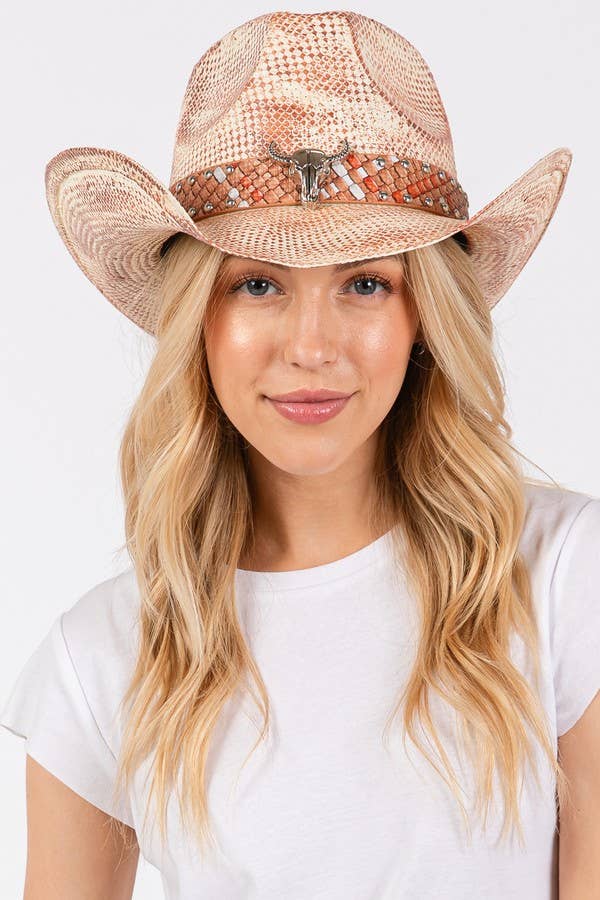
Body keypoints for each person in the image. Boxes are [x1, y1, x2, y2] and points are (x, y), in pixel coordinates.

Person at [2, 9, 599, 899]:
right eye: (257, 284)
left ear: (423, 316)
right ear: (197, 320)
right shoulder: (104, 657)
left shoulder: (560, 575)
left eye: (365, 283)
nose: (312, 347)